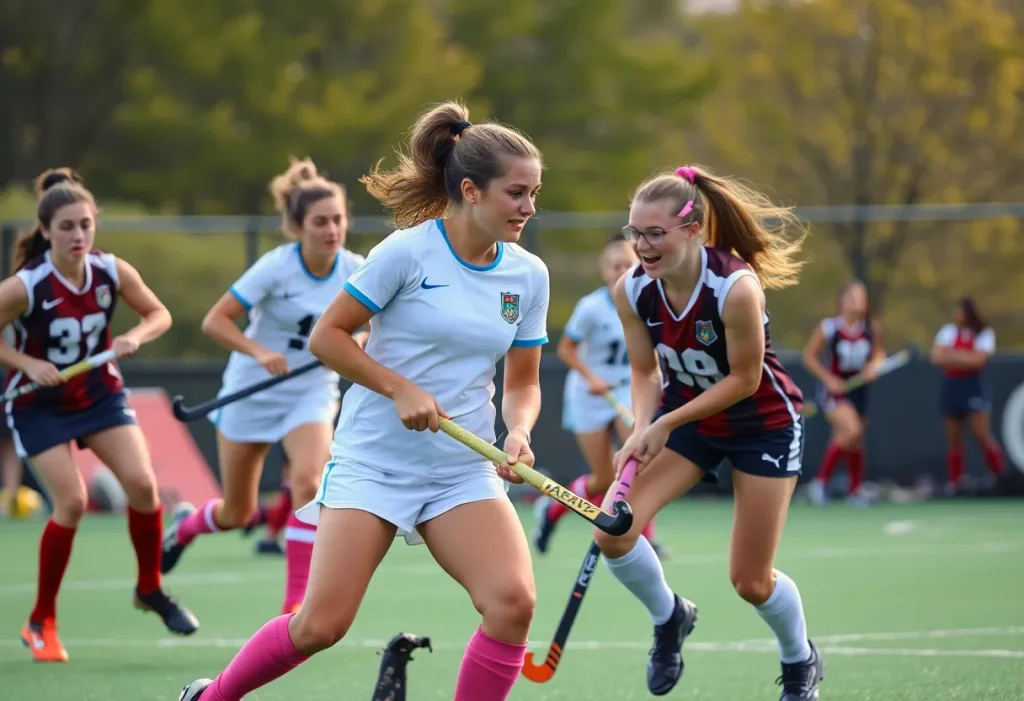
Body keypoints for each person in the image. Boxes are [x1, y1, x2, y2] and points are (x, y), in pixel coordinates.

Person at [176, 100, 549, 701]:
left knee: (512, 604)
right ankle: (213, 695)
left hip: (461, 470)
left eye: (534, 193)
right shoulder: (404, 253)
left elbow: (523, 381)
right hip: (375, 462)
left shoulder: (529, 275)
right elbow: (329, 336)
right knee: (321, 625)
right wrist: (399, 387)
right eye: (517, 193)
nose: (529, 208)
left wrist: (520, 430)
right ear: (473, 191)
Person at [593, 165, 823, 700]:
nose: (642, 247)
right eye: (635, 233)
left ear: (691, 228)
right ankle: (670, 616)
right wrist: (642, 424)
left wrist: (666, 423)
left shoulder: (735, 289)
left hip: (761, 425)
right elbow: (645, 370)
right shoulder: (632, 291)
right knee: (611, 531)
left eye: (655, 234)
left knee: (750, 581)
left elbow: (745, 380)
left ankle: (799, 660)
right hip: (687, 419)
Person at [0, 168, 198, 663]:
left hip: (98, 395)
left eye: (85, 225)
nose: (79, 236)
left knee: (144, 487)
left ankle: (150, 588)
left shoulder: (111, 271)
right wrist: (28, 363)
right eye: (67, 227)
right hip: (38, 405)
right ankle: (41, 618)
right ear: (46, 231)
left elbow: (159, 315)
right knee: (71, 503)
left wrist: (135, 337)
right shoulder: (26, 285)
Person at [161, 159, 366, 614]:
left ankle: (294, 604)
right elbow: (216, 321)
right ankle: (187, 528)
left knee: (310, 482)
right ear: (296, 227)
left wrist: (362, 339)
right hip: (251, 390)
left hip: (310, 391)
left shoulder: (357, 269)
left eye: (338, 219)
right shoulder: (275, 267)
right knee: (237, 513)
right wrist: (259, 353)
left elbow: (375, 325)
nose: (332, 229)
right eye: (320, 222)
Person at [533, 233, 665, 556]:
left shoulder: (648, 303)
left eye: (627, 265)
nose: (620, 271)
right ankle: (552, 511)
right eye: (614, 266)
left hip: (624, 392)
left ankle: (644, 536)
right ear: (605, 270)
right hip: (588, 395)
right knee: (603, 480)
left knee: (639, 464)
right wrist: (592, 378)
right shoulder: (590, 307)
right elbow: (565, 349)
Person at [801, 281, 885, 506]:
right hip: (836, 392)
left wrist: (874, 367)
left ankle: (854, 491)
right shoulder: (829, 328)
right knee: (852, 431)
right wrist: (830, 380)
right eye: (853, 298)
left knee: (855, 440)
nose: (858, 303)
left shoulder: (871, 328)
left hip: (860, 391)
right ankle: (819, 483)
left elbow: (878, 355)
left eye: (862, 298)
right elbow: (809, 357)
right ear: (842, 301)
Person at [931, 297, 1004, 495]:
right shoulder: (948, 331)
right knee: (954, 437)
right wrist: (965, 358)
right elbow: (937, 357)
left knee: (981, 433)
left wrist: (952, 356)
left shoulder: (984, 333)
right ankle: (955, 482)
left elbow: (978, 361)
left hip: (973, 386)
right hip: (952, 386)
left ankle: (1000, 476)